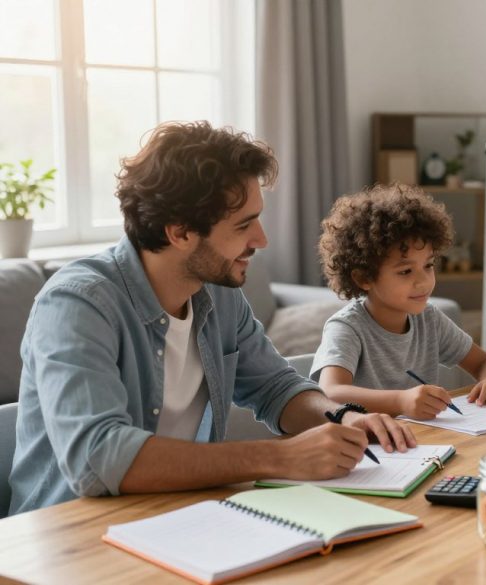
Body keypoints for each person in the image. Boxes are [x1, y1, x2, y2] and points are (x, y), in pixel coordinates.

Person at [8, 122, 415, 515]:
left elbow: (275, 387)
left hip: (181, 517)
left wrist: (343, 417)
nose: (261, 240)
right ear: (180, 233)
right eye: (243, 225)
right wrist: (280, 456)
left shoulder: (217, 292)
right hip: (71, 542)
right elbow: (98, 458)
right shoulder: (77, 304)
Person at [312, 183, 486, 420]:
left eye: (428, 265)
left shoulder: (429, 319)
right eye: (406, 271)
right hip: (370, 448)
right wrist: (401, 401)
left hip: (423, 443)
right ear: (364, 277)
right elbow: (331, 393)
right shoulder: (347, 328)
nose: (424, 282)